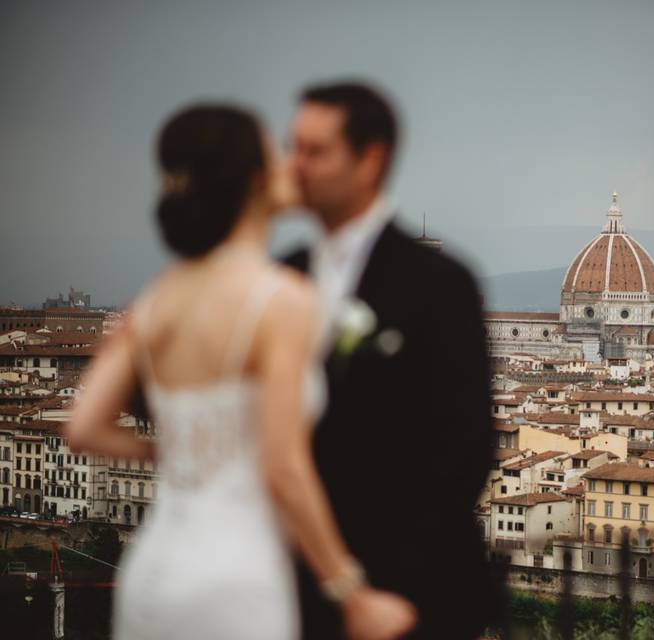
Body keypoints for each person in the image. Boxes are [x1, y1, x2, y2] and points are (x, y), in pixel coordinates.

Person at [66, 104, 417, 640]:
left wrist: (191, 451)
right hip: (235, 577)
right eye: (276, 150)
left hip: (153, 569)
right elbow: (283, 464)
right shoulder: (282, 299)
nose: (290, 162)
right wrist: (351, 592)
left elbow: (83, 428)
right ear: (254, 180)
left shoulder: (158, 298)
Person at [285, 82, 495, 639]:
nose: (295, 166)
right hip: (294, 585)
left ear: (370, 158)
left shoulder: (441, 285)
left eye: (315, 151)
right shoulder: (279, 275)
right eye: (293, 148)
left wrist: (376, 586)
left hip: (411, 594)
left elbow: (466, 449)